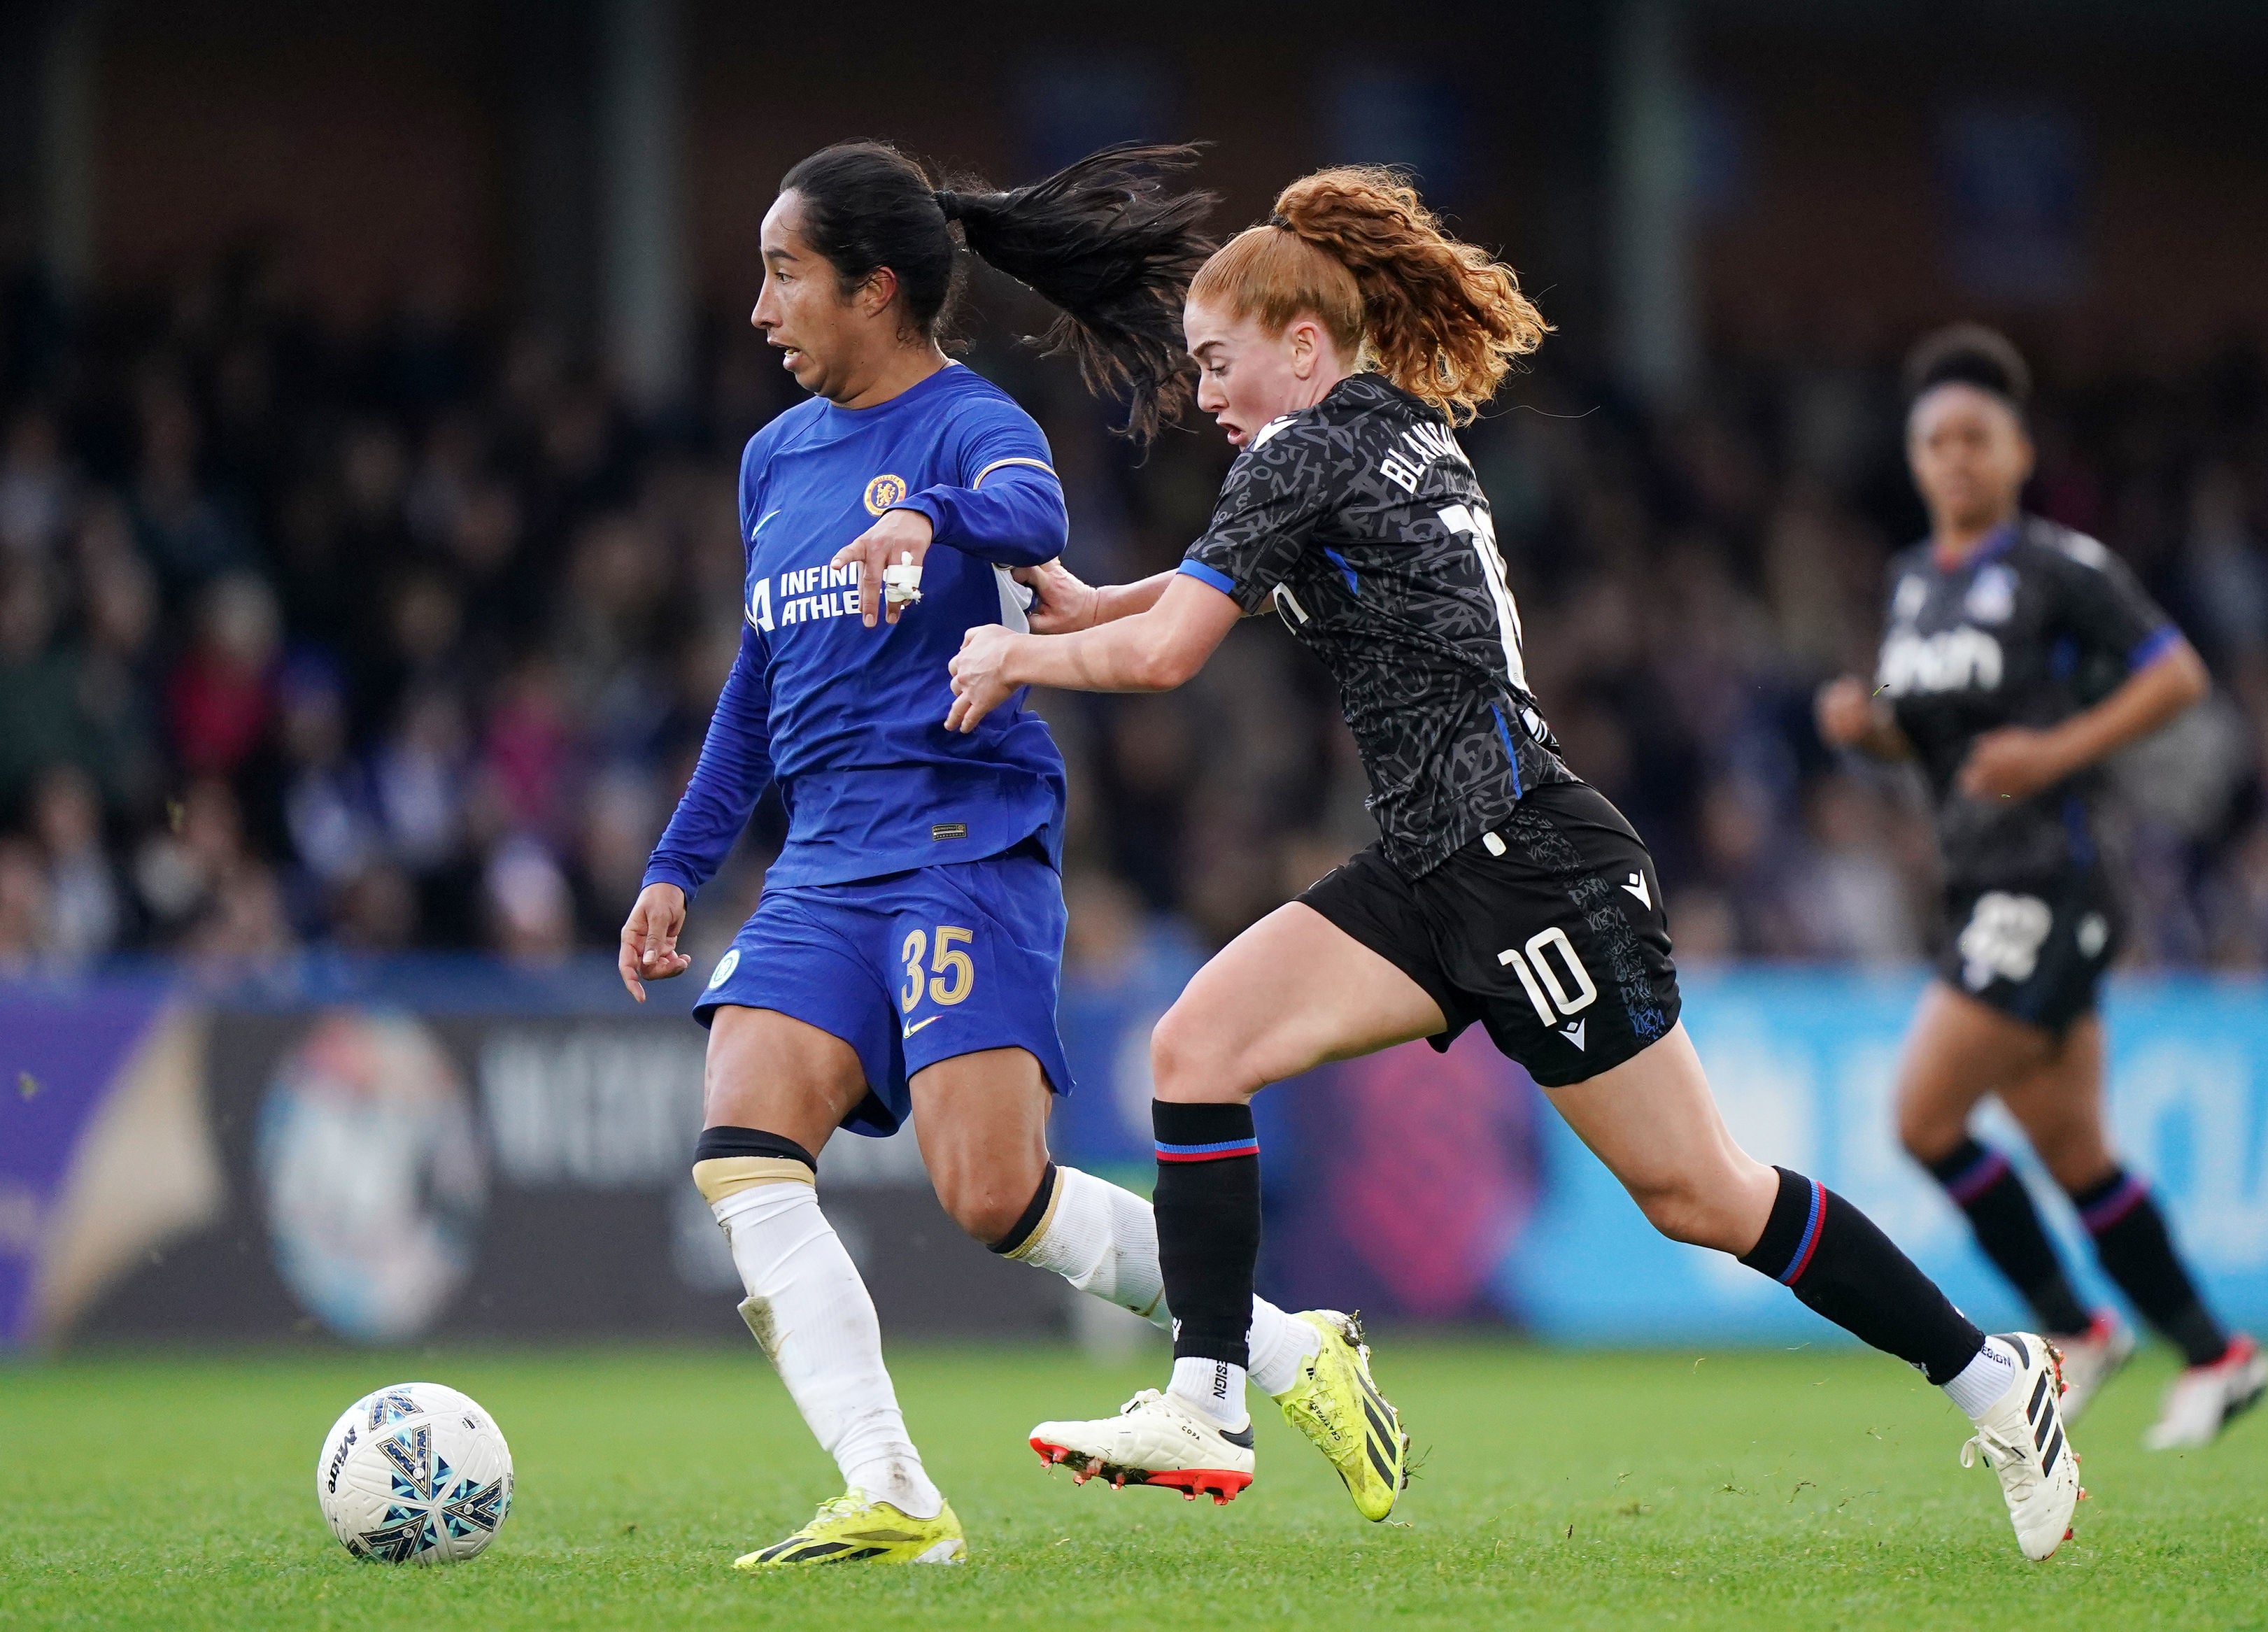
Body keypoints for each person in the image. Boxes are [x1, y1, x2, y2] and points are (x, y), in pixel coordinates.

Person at [947, 170, 2086, 1562]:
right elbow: (1212, 590)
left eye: (1216, 361)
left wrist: (1022, 652)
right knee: (1196, 1046)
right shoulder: (1384, 433)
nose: (1204, 394)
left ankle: (1993, 1377)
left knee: (1700, 1197)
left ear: (1301, 346)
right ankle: (1208, 1403)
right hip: (1431, 865)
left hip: (1527, 864)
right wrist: (1092, 599)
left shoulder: (1302, 453)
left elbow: (1171, 651)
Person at [620, 140, 1396, 1570]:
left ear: (876, 288)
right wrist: (679, 860)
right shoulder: (772, 460)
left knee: (993, 1198)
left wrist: (930, 512)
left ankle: (1292, 1355)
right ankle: (892, 1489)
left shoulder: (969, 425)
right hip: (823, 866)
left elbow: (1035, 519)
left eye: (783, 274)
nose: (758, 307)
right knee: (739, 1150)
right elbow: (757, 679)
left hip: (961, 844)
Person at [1815, 324, 2268, 1449]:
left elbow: (2178, 675)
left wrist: (2052, 754)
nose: (1957, 458)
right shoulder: (1913, 583)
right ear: (1917, 459)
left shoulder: (2060, 568)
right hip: (1975, 885)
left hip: (2050, 882)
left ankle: (2073, 1328)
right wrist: (1864, 730)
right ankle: (2217, 1352)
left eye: (1979, 437)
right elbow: (1931, 739)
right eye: (1936, 440)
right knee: (2077, 1154)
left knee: (1922, 1116)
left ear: (2019, 451)